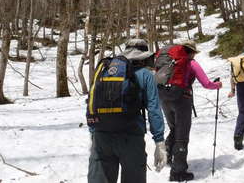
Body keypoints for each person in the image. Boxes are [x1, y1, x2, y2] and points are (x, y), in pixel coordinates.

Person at [87, 39, 167, 183]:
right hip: (131, 137)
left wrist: (93, 133)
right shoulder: (146, 75)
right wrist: (159, 142)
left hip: (102, 136)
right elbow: (154, 109)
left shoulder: (105, 70)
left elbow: (92, 103)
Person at [157, 39, 222, 182]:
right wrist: (217, 85)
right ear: (191, 52)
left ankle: (168, 156)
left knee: (174, 128)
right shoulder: (191, 63)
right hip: (182, 100)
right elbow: (206, 83)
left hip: (164, 98)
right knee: (182, 135)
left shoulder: (169, 62)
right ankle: (178, 172)